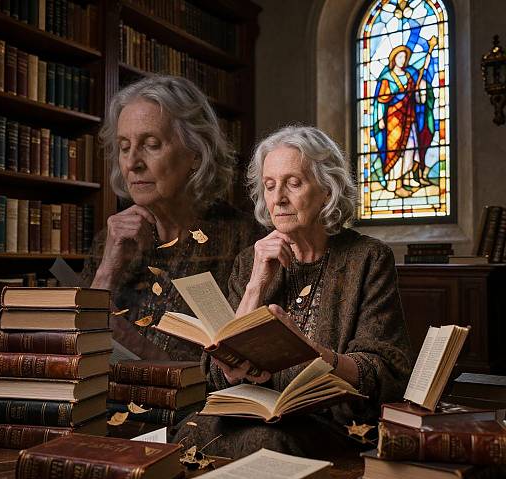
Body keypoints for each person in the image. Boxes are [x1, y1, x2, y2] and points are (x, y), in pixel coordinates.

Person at [170, 125, 413, 458]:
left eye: (293, 183)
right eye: (269, 186)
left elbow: (384, 371)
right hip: (253, 413)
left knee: (265, 445)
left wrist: (308, 350)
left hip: (336, 423)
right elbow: (215, 376)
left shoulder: (367, 258)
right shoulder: (249, 261)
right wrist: (256, 284)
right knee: (187, 431)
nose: (278, 198)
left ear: (327, 191)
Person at [81, 76, 260, 361]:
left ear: (196, 154)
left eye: (151, 144)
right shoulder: (110, 239)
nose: (132, 163)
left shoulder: (244, 240)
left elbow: (235, 367)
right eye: (124, 147)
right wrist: (106, 271)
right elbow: (76, 351)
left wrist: (125, 337)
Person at [372, 44, 435, 197]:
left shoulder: (408, 77)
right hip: (393, 120)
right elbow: (381, 101)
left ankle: (407, 179)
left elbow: (417, 99)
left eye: (404, 57)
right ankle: (394, 182)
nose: (403, 60)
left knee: (410, 149)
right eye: (400, 57)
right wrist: (380, 118)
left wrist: (421, 87)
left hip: (409, 118)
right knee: (395, 150)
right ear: (394, 59)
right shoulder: (387, 79)